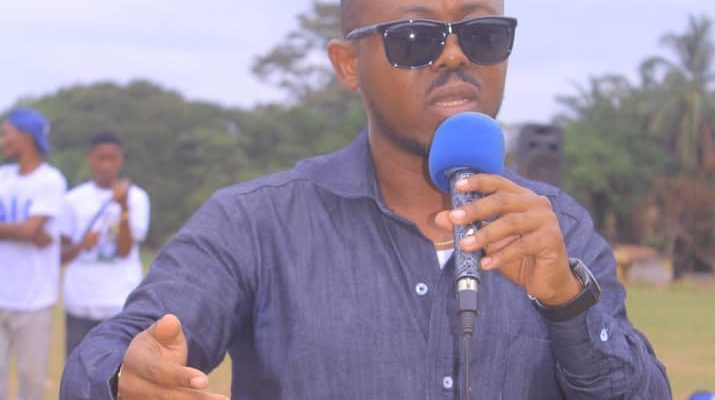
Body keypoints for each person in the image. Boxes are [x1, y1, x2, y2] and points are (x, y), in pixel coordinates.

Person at [60, 0, 672, 399]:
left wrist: (567, 303)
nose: (454, 55)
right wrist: (126, 376)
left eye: (483, 34)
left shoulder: (560, 229)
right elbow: (105, 355)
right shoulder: (256, 223)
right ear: (348, 64)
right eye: (415, 36)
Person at [60, 131, 151, 358]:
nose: (106, 165)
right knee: (77, 366)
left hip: (119, 302)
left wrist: (124, 207)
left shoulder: (136, 198)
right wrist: (82, 245)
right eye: (100, 158)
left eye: (112, 158)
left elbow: (125, 250)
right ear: (89, 158)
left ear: (121, 160)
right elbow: (61, 255)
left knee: (120, 370)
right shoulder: (73, 199)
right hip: (80, 302)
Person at [0, 108, 67, 400]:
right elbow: (30, 231)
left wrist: (29, 231)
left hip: (34, 299)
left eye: (6, 134)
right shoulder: (3, 176)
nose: (2, 140)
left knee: (32, 380)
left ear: (25, 137)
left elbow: (31, 230)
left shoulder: (50, 180)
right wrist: (26, 231)